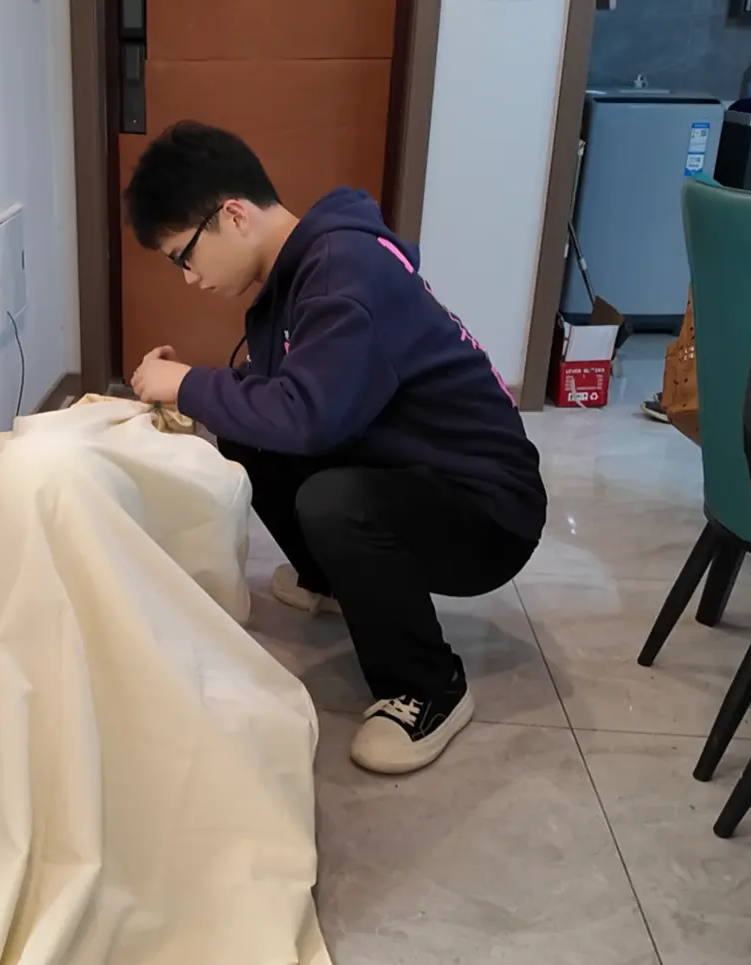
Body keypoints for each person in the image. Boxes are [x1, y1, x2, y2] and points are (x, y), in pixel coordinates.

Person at [124, 121, 546, 775]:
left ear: (232, 215)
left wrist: (185, 384)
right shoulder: (305, 271)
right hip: (423, 468)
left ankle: (429, 687)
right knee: (247, 427)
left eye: (185, 256)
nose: (189, 278)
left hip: (491, 511)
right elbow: (281, 398)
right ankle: (331, 580)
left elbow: (310, 418)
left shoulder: (341, 275)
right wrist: (201, 393)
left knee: (334, 499)